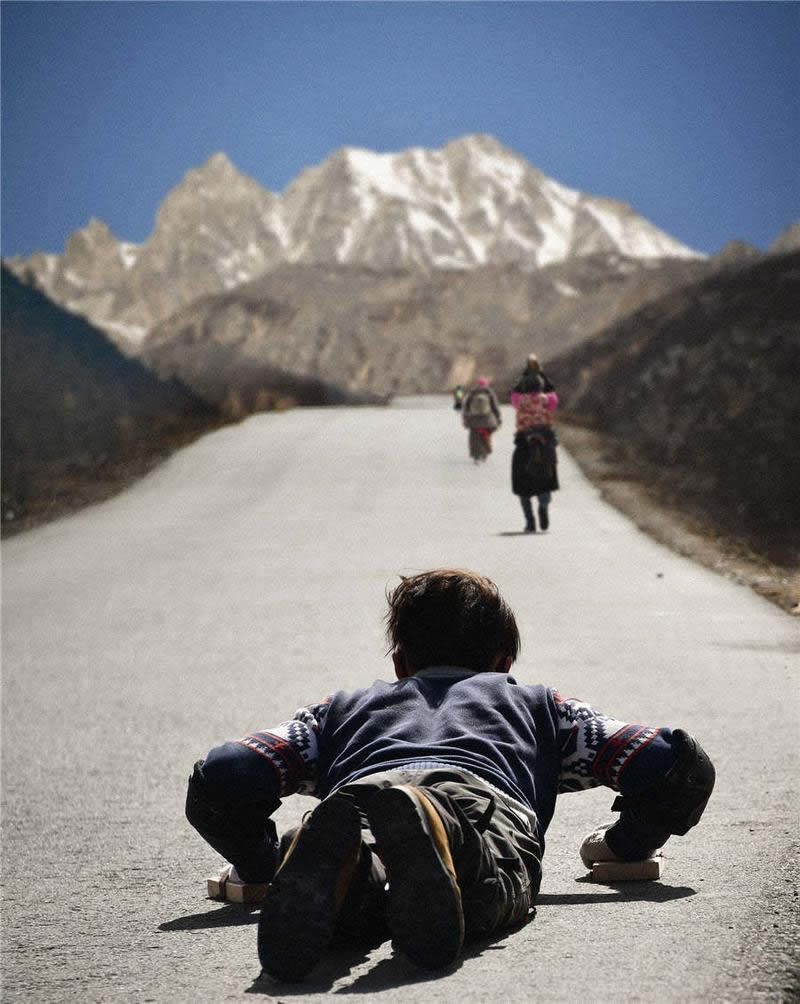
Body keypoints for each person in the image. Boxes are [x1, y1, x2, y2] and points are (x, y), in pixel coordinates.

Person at [185, 569, 715, 982]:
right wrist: (626, 846)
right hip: (477, 796)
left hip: (359, 797)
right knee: (486, 877)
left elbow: (223, 776)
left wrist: (261, 867)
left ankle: (343, 863)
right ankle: (450, 837)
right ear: (504, 662)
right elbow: (673, 764)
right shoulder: (539, 707)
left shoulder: (338, 711)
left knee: (359, 877)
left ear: (399, 663)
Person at [511, 357, 559, 532]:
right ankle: (544, 507)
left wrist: (522, 379)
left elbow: (513, 396)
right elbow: (554, 398)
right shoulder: (547, 400)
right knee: (546, 479)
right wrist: (543, 376)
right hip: (545, 442)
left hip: (524, 443)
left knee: (522, 485)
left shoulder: (520, 401)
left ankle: (530, 522)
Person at [461, 377, 502, 462]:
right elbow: (495, 407)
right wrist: (498, 417)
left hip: (474, 420)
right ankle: (485, 452)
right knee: (486, 435)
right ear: (486, 384)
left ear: (477, 384)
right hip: (487, 420)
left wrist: (465, 417)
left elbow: (466, 407)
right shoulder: (490, 393)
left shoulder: (472, 393)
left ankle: (476, 455)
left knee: (474, 438)